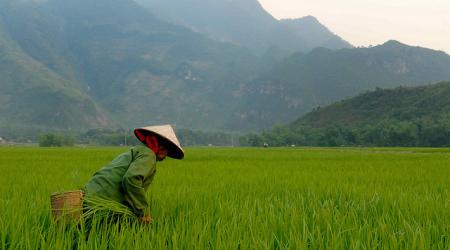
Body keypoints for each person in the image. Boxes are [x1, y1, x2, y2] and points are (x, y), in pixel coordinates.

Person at [83, 124, 184, 224]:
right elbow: (132, 179)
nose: (167, 154)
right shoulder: (148, 155)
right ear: (159, 145)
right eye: (167, 149)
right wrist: (144, 212)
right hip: (102, 200)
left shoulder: (138, 150)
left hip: (91, 194)